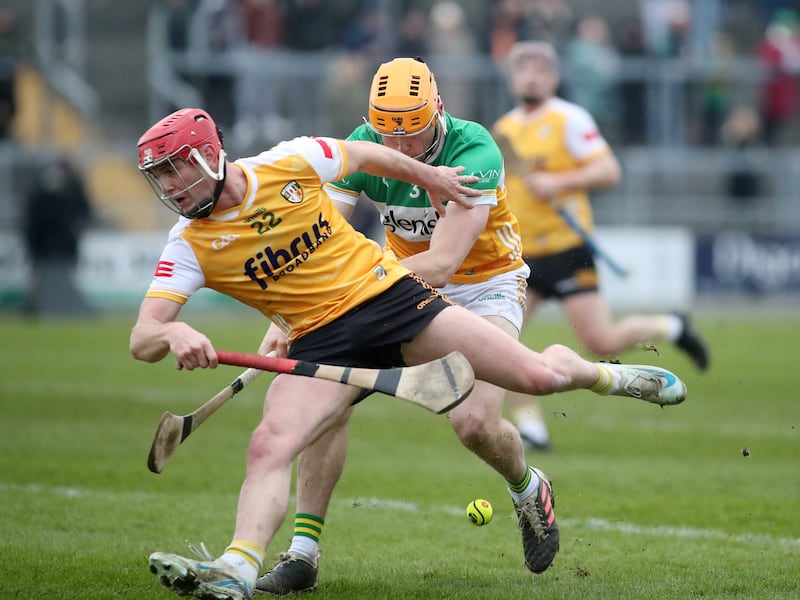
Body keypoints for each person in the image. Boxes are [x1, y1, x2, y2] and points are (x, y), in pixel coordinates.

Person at [132, 107, 687, 600]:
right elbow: (143, 337)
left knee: (536, 378)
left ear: (209, 156)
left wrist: (433, 176)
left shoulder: (289, 161)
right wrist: (175, 335)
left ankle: (599, 376)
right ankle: (239, 568)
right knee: (270, 443)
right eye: (159, 177)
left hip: (391, 297)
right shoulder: (189, 244)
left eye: (175, 168)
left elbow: (369, 154)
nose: (171, 187)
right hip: (321, 338)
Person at [254, 55, 537, 594]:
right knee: (322, 391)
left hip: (484, 287)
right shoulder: (364, 144)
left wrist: (351, 284)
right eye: (389, 135)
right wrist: (291, 312)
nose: (401, 148)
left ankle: (525, 487)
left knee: (474, 424)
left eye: (413, 133)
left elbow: (443, 263)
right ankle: (303, 554)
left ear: (438, 111)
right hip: (394, 287)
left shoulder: (474, 150)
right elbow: (321, 236)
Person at [492, 41, 708, 451]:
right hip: (520, 256)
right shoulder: (502, 130)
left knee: (601, 342)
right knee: (504, 344)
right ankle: (531, 425)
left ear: (554, 78)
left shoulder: (569, 119)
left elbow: (609, 170)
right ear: (512, 78)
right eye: (523, 70)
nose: (531, 77)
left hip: (568, 248)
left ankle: (673, 326)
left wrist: (560, 182)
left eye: (540, 69)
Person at [22, 155, 94, 316]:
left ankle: (34, 307)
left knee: (54, 276)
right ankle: (33, 307)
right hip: (47, 246)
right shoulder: (45, 191)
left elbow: (83, 211)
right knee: (42, 277)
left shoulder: (70, 188)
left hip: (59, 245)